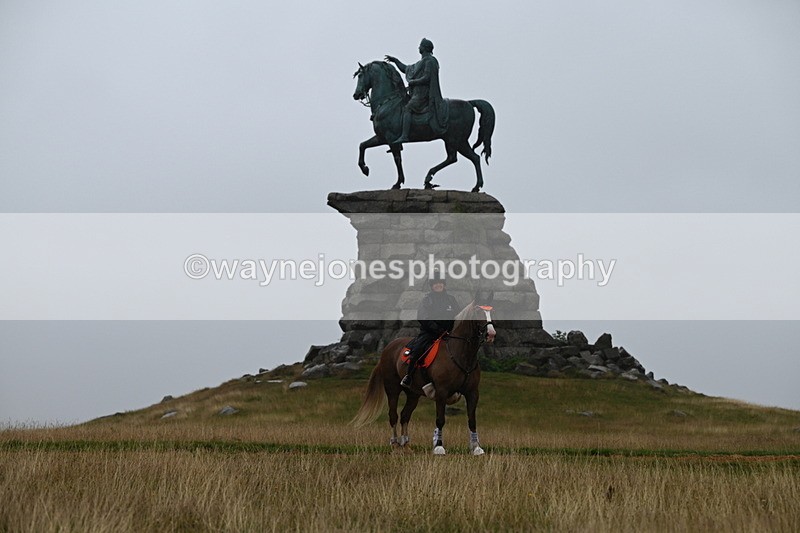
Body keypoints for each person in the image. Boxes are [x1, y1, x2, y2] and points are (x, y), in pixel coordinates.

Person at [400, 271, 460, 389]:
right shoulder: (427, 300)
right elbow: (423, 318)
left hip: (449, 333)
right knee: (417, 350)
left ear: (444, 284)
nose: (438, 285)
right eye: (435, 283)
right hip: (429, 333)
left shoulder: (451, 300)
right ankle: (409, 376)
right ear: (432, 286)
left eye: (440, 283)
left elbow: (457, 316)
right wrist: (437, 330)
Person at [385, 38, 449, 144]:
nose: (419, 47)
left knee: (408, 108)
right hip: (416, 94)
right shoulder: (420, 63)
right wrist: (395, 61)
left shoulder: (430, 61)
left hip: (424, 95)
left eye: (420, 46)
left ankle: (404, 135)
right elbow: (406, 69)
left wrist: (414, 82)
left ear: (425, 48)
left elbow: (427, 77)